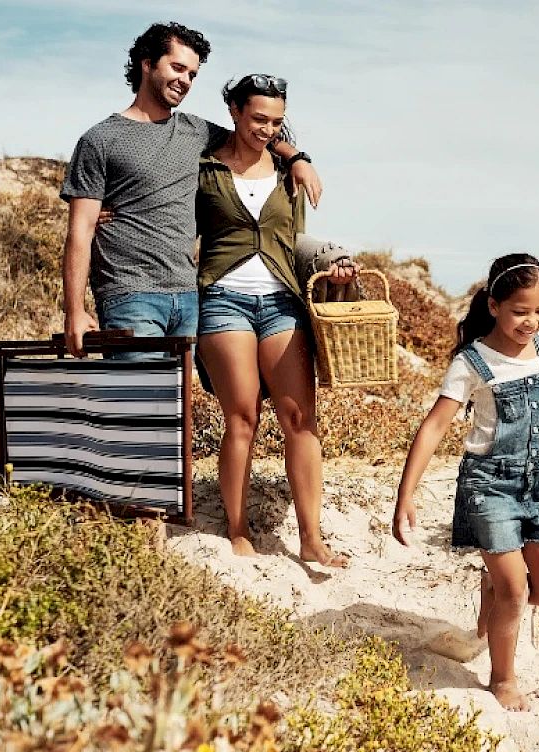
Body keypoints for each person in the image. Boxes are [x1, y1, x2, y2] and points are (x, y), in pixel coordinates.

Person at [391, 254, 539, 711]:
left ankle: (493, 587)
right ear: (493, 305)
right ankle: (502, 679)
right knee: (516, 590)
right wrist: (406, 495)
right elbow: (434, 426)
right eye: (520, 311)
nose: (531, 321)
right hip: (489, 486)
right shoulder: (472, 362)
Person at [59, 22, 322, 358]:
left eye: (192, 74)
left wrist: (298, 158)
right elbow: (79, 230)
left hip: (188, 296)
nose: (185, 80)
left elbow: (255, 133)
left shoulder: (195, 131)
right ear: (147, 63)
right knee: (141, 402)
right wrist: (75, 311)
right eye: (177, 67)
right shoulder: (100, 140)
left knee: (177, 407)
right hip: (130, 293)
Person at [194, 73, 357, 568]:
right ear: (235, 113)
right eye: (257, 118)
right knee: (241, 418)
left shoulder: (291, 171)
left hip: (282, 301)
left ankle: (311, 537)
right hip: (223, 299)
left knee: (300, 419)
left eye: (276, 122)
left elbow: (296, 241)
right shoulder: (203, 169)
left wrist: (332, 267)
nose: (266, 129)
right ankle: (237, 528)